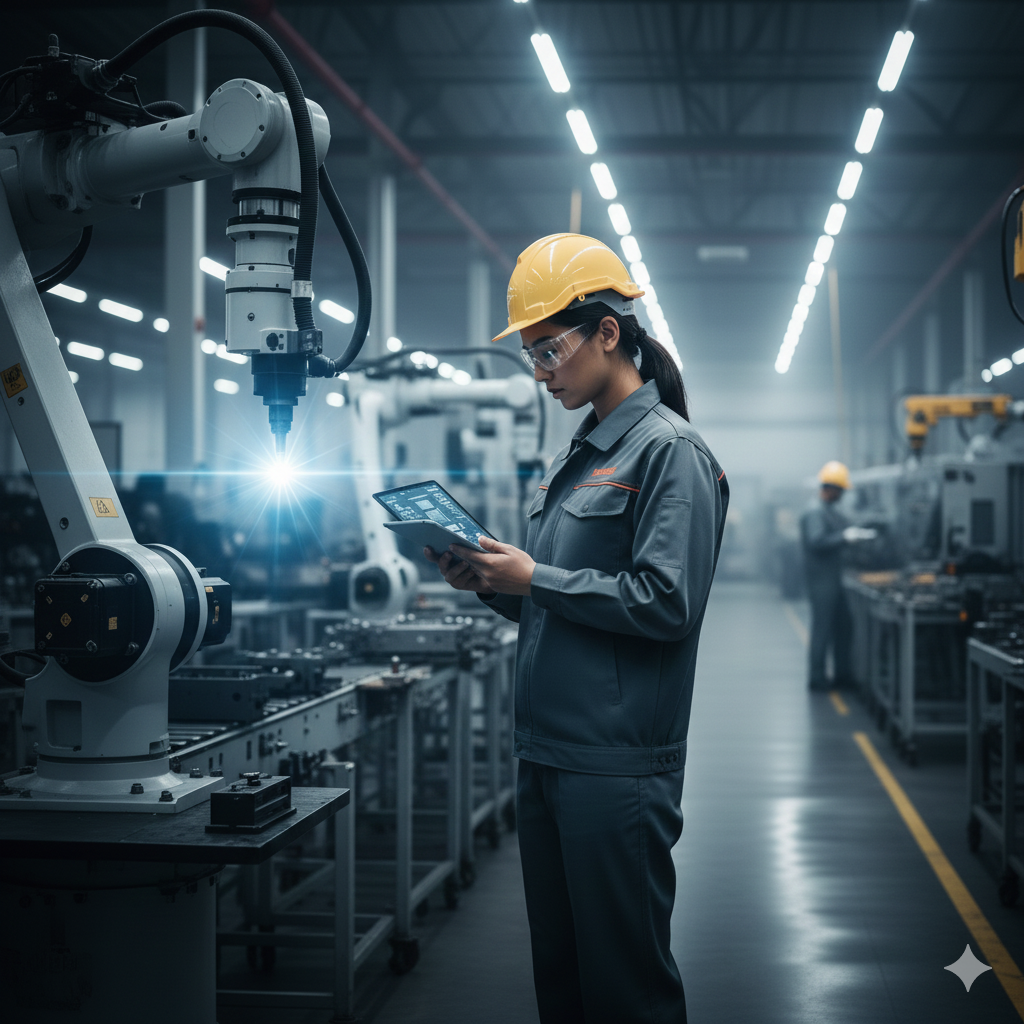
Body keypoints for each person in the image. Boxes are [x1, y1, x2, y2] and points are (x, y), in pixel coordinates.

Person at [425, 233, 729, 1024]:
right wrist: (493, 583)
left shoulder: (669, 453)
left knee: (625, 989)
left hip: (615, 765)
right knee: (562, 982)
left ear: (607, 333)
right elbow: (561, 606)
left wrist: (539, 578)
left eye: (550, 348)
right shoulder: (579, 457)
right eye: (530, 354)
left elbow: (666, 602)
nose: (540, 370)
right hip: (549, 755)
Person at [800, 461, 874, 690]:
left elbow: (841, 526)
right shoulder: (815, 511)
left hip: (834, 580)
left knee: (844, 626)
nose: (842, 495)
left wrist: (854, 532)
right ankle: (817, 678)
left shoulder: (829, 510)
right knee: (822, 629)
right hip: (821, 581)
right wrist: (845, 537)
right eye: (840, 490)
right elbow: (816, 541)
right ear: (831, 488)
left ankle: (843, 675)